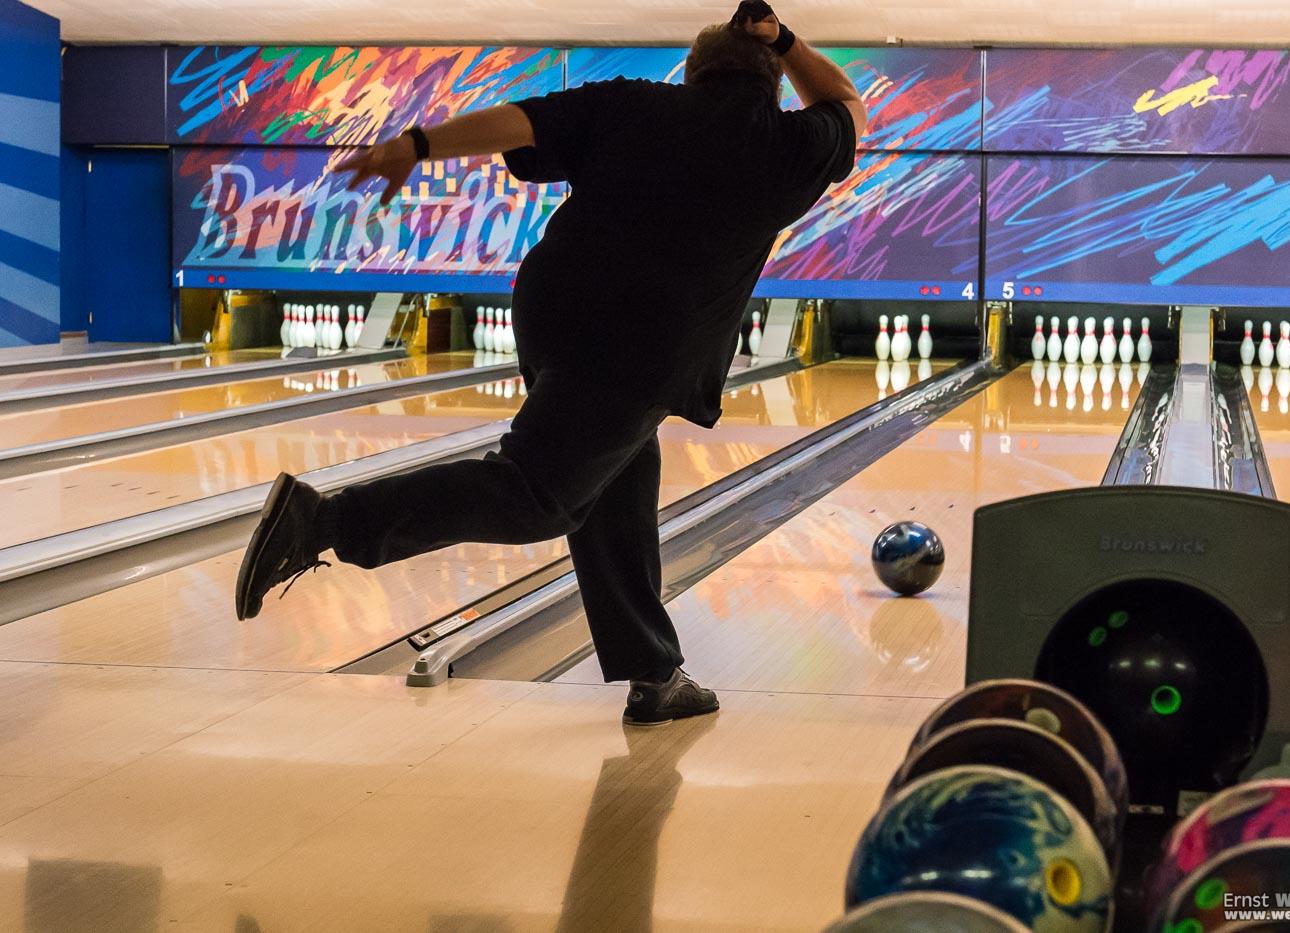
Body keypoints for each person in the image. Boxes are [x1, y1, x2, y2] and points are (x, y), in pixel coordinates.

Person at [235, 1, 867, 725]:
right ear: (775, 83)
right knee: (542, 495)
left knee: (617, 478)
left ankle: (654, 673)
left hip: (550, 310)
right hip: (640, 349)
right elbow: (846, 100)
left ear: (691, 73)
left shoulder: (633, 102)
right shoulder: (789, 145)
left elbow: (518, 120)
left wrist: (415, 144)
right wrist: (785, 41)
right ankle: (321, 522)